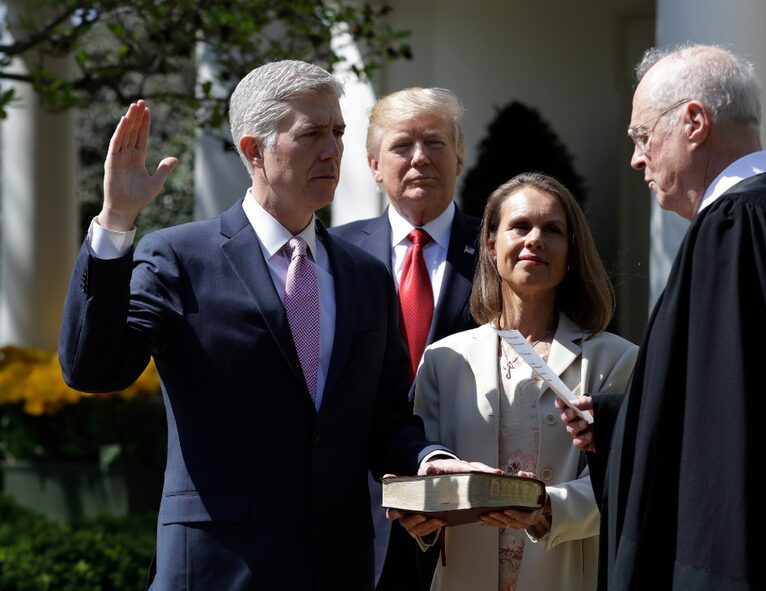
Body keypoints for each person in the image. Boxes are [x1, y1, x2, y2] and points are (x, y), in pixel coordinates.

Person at [58, 60, 491, 591]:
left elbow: (383, 418)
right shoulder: (178, 257)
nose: (332, 150)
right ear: (252, 150)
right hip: (217, 568)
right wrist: (115, 223)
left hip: (338, 568)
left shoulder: (363, 276)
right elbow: (92, 368)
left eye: (337, 132)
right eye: (311, 134)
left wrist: (426, 461)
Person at [558, 44, 766, 590]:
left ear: (694, 122)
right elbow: (743, 392)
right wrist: (618, 420)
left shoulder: (738, 226)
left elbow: (731, 435)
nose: (636, 158)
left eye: (641, 136)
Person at [391, 172, 638, 590]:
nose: (535, 239)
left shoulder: (616, 359)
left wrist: (547, 508)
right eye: (520, 226)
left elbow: (627, 480)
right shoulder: (443, 359)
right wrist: (420, 516)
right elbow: (428, 473)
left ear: (571, 252)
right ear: (490, 243)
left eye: (553, 230)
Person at [331, 87, 480, 590]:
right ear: (374, 164)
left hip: (469, 505)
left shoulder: (501, 250)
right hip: (358, 505)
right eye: (402, 146)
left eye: (435, 143)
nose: (420, 158)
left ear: (460, 156)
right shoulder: (331, 254)